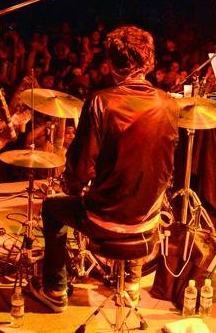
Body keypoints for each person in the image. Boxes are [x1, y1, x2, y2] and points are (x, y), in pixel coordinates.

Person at [27, 25, 179, 312]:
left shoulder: (100, 101)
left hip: (105, 220)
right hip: (149, 221)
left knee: (51, 209)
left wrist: (70, 187)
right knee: (139, 195)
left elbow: (81, 169)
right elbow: (166, 165)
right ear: (149, 61)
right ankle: (131, 284)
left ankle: (55, 290)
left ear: (111, 64)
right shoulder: (169, 104)